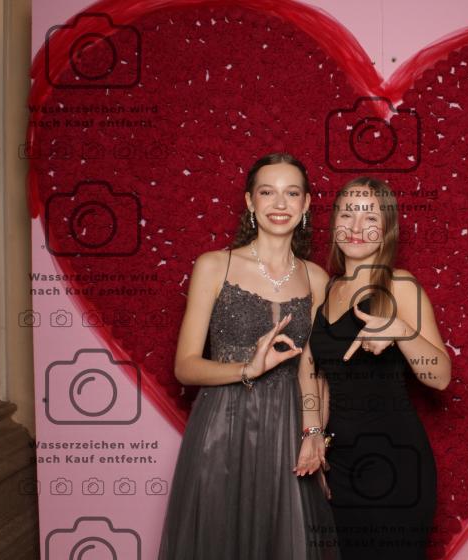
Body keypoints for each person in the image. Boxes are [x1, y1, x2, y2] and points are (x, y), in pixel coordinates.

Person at [158, 153, 340, 559]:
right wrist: (247, 368)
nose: (280, 204)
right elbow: (185, 366)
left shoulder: (316, 277)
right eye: (267, 192)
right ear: (249, 201)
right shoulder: (214, 266)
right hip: (223, 425)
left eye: (291, 193)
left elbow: (313, 369)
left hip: (289, 428)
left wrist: (314, 434)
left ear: (306, 204)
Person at [295, 176, 452, 559]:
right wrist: (314, 435)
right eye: (347, 214)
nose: (356, 226)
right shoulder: (327, 290)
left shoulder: (400, 286)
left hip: (395, 464)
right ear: (334, 223)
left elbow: (440, 376)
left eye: (370, 218)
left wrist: (400, 331)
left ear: (385, 232)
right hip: (341, 464)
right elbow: (311, 371)